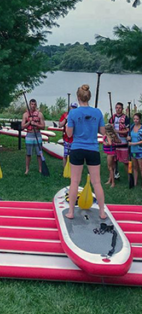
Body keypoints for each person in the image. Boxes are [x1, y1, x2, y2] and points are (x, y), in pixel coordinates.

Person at [64, 84, 107, 220]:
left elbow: (69, 134)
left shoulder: (73, 113)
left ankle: (71, 212)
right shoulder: (97, 112)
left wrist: (66, 126)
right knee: (97, 182)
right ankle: (102, 212)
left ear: (78, 97)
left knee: (75, 181)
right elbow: (103, 131)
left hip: (77, 148)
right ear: (89, 97)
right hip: (92, 148)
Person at [108, 102, 130, 187]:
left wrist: (117, 131)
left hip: (123, 142)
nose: (118, 109)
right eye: (116, 107)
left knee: (125, 162)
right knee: (113, 162)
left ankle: (129, 179)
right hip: (114, 143)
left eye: (120, 108)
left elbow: (127, 130)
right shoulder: (112, 117)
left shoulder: (126, 118)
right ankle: (112, 179)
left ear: (122, 109)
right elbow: (108, 128)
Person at [22, 98, 44, 174]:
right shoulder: (25, 114)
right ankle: (27, 169)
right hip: (29, 134)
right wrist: (29, 122)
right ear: (29, 105)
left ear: (36, 105)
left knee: (39, 153)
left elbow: (43, 126)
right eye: (32, 104)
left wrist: (35, 124)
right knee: (28, 154)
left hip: (37, 134)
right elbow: (22, 126)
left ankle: (40, 169)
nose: (33, 106)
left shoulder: (40, 114)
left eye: (34, 104)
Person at [129, 112, 141, 188]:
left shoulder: (141, 128)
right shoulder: (131, 127)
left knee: (141, 167)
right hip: (133, 150)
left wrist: (133, 143)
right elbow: (129, 136)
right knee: (135, 167)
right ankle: (135, 183)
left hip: (140, 150)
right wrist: (128, 138)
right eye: (134, 119)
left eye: (137, 119)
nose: (135, 120)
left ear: (140, 119)